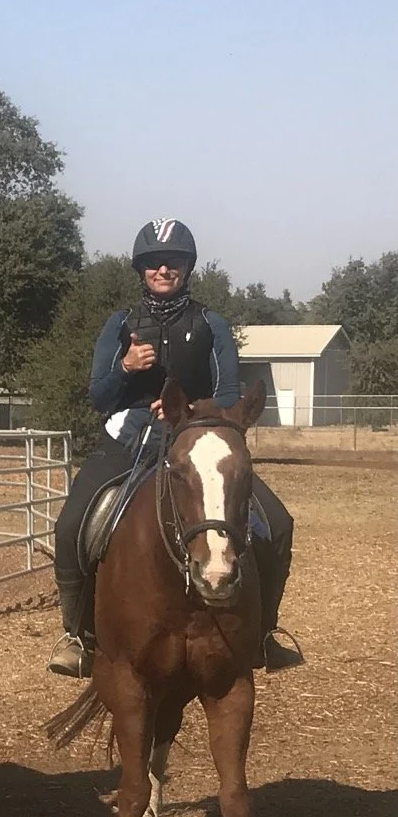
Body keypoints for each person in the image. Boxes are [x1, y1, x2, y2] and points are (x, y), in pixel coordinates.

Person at [48, 218, 301, 678]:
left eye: (173, 262)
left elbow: (228, 393)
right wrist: (124, 367)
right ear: (141, 269)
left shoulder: (211, 323)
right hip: (130, 436)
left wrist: (188, 411)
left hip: (196, 438)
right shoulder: (119, 324)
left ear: (187, 267)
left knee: (277, 524)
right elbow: (99, 397)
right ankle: (77, 636)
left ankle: (265, 633)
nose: (163, 269)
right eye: (153, 263)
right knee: (70, 528)